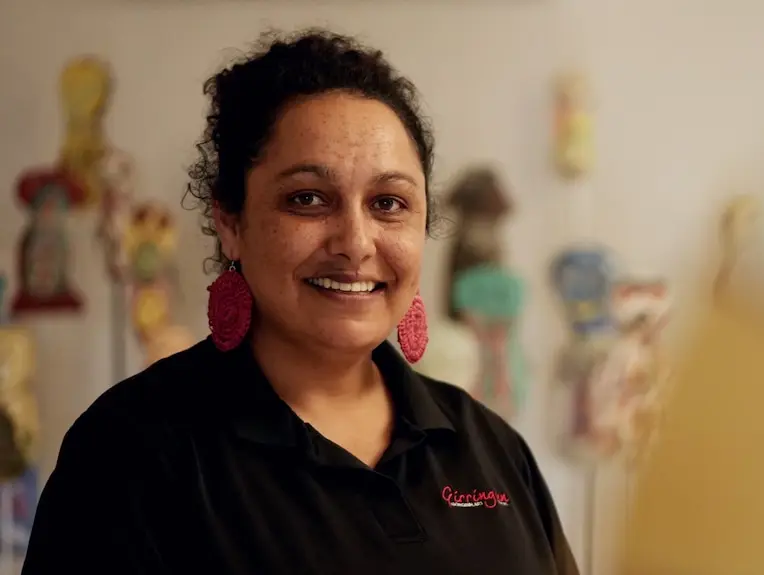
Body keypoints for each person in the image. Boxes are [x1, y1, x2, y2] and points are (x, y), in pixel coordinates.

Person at [22, 29, 580, 575]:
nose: (356, 244)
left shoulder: (490, 448)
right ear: (230, 222)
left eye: (389, 203)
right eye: (308, 199)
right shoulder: (130, 453)